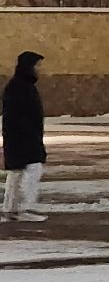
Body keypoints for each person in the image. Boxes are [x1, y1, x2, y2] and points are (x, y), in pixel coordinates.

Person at [2, 50, 48, 222]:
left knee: (18, 172)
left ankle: (12, 209)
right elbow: (15, 115)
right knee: (29, 169)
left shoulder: (24, 86)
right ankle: (22, 207)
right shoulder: (19, 87)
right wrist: (27, 134)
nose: (39, 69)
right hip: (22, 138)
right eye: (37, 65)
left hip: (23, 137)